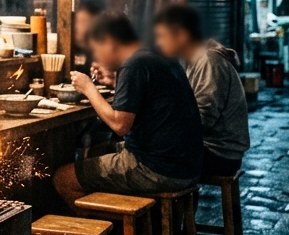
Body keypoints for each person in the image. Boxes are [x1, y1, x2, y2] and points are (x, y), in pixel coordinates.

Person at [52, 12, 203, 204]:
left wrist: (89, 89)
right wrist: (114, 81)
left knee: (63, 178)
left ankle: (109, 231)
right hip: (186, 165)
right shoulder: (154, 55)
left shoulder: (133, 65)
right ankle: (123, 227)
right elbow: (149, 98)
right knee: (97, 151)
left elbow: (120, 125)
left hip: (158, 169)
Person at [153, 3, 250, 178]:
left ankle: (173, 204)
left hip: (219, 153)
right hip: (206, 146)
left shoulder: (208, 61)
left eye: (162, 36)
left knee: (147, 159)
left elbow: (203, 118)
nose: (158, 42)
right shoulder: (189, 59)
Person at [71, 0, 104, 77]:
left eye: (83, 22)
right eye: (77, 22)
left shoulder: (102, 53)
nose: (77, 27)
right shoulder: (70, 49)